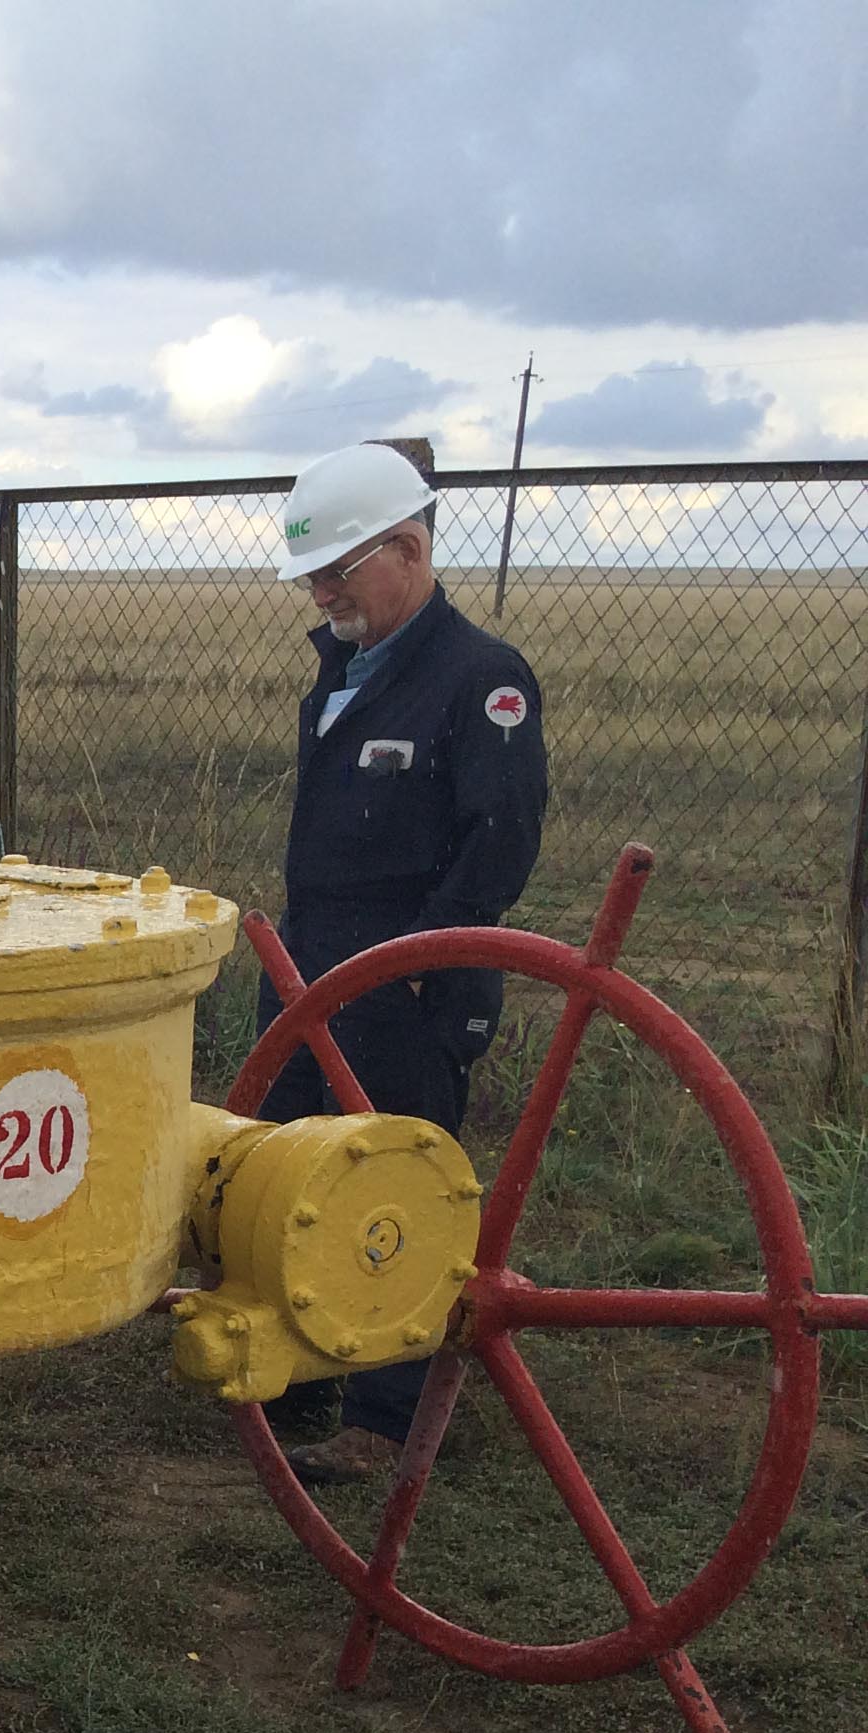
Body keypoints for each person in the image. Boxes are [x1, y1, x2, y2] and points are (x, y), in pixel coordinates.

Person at [261, 441, 545, 1487]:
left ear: (411, 550)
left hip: (411, 986)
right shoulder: (341, 675)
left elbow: (500, 841)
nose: (324, 594)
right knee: (290, 1166)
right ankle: (294, 1372)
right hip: (309, 971)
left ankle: (386, 1417)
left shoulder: (482, 683)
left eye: (340, 573)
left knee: (400, 1187)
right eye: (313, 578)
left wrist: (424, 959)